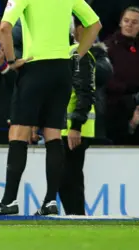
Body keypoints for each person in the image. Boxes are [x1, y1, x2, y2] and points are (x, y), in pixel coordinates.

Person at [0, 0, 102, 216]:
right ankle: (49, 201)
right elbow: (94, 24)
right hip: (63, 70)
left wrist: (12, 61)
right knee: (52, 135)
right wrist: (78, 55)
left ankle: (9, 200)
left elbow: (4, 27)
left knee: (19, 133)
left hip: (35, 68)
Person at [59, 18, 112, 216]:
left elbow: (85, 93)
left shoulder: (79, 55)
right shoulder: (65, 54)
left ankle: (77, 217)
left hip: (73, 129)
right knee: (66, 178)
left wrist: (76, 126)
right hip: (61, 128)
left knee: (69, 178)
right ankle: (76, 217)